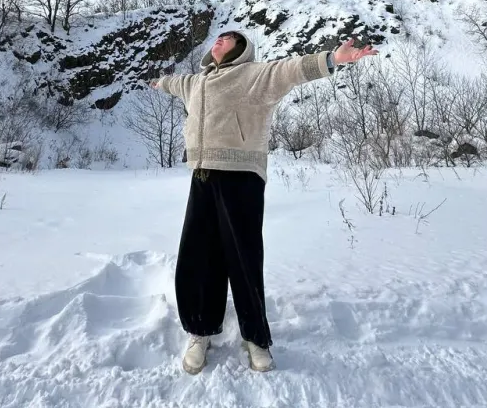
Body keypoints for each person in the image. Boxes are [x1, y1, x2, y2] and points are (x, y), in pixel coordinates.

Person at [150, 31, 377, 374]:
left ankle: (255, 337)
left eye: (228, 39)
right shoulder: (196, 82)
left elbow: (291, 69)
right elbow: (175, 82)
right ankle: (200, 331)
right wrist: (159, 82)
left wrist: (333, 59)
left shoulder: (254, 75)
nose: (219, 40)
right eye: (218, 37)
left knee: (243, 258)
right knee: (198, 256)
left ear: (242, 49)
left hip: (241, 176)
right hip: (202, 177)